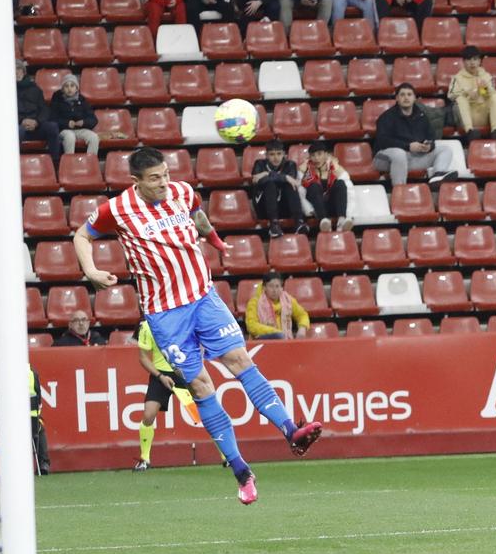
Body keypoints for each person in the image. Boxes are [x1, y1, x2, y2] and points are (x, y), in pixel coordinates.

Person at [74, 147, 324, 504]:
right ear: (136, 181)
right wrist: (92, 270)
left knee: (240, 361)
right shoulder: (116, 210)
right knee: (201, 385)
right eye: (154, 179)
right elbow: (80, 236)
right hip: (166, 314)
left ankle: (291, 430)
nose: (163, 183)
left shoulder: (181, 191)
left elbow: (198, 216)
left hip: (204, 298)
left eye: (165, 174)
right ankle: (240, 471)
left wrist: (216, 240)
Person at [131, 315, 196, 471]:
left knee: (205, 412)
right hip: (160, 375)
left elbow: (197, 345)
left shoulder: (182, 320)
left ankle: (226, 457)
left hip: (184, 372)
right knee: (148, 415)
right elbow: (143, 357)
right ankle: (144, 459)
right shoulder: (146, 326)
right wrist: (160, 376)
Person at [372, 83, 467, 184]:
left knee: (445, 149)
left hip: (411, 158)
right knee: (399, 154)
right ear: (397, 98)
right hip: (384, 160)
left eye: (409, 94)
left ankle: (437, 175)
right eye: (402, 95)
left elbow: (431, 136)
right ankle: (399, 190)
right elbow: (383, 141)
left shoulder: (421, 116)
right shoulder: (387, 117)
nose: (406, 98)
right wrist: (408, 146)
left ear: (414, 98)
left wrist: (428, 145)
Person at [15, 56, 63, 162]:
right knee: (18, 130)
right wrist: (21, 120)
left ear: (23, 72)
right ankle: (14, 164)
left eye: (19, 69)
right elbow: (5, 113)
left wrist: (37, 122)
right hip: (18, 126)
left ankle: (55, 163)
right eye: (13, 70)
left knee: (52, 127)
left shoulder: (35, 89)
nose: (17, 72)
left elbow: (44, 110)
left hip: (36, 126)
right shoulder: (6, 90)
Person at [249, 142, 302, 235]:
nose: (276, 157)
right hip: (264, 207)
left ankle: (299, 222)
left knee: (290, 185)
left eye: (279, 154)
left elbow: (292, 181)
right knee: (270, 184)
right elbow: (257, 180)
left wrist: (267, 174)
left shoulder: (290, 165)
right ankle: (274, 225)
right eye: (272, 154)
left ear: (284, 154)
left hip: (284, 206)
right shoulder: (259, 164)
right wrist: (284, 177)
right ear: (266, 155)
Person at [449, 47, 496, 135]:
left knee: (495, 97)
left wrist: (484, 90)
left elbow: (493, 94)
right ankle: (470, 132)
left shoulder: (486, 76)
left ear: (479, 61)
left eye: (475, 59)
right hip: (467, 115)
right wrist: (466, 93)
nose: (472, 63)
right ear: (463, 62)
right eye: (468, 60)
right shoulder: (457, 77)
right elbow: (450, 95)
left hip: (484, 114)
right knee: (460, 99)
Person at [300, 141, 350, 234]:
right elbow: (299, 190)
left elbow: (348, 184)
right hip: (314, 207)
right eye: (313, 155)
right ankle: (324, 221)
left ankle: (342, 220)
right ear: (309, 157)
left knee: (340, 183)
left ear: (326, 155)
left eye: (319, 154)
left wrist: (335, 166)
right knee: (314, 186)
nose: (316, 158)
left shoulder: (334, 167)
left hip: (331, 204)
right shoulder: (305, 168)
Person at [245, 270, 309, 339]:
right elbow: (251, 325)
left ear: (282, 288)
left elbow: (302, 315)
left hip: (285, 341)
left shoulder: (288, 300)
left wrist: (302, 328)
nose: (274, 290)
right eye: (271, 286)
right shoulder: (254, 302)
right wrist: (276, 333)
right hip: (262, 341)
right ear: (264, 287)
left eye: (277, 286)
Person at [52, 72, 100, 157]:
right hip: (64, 130)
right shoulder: (57, 99)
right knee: (70, 137)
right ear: (62, 89)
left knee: (94, 137)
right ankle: (69, 165)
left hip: (80, 129)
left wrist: (84, 122)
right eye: (66, 86)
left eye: (72, 86)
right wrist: (66, 123)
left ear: (76, 88)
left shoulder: (82, 100)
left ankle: (90, 164)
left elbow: (93, 119)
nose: (69, 89)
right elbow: (52, 118)